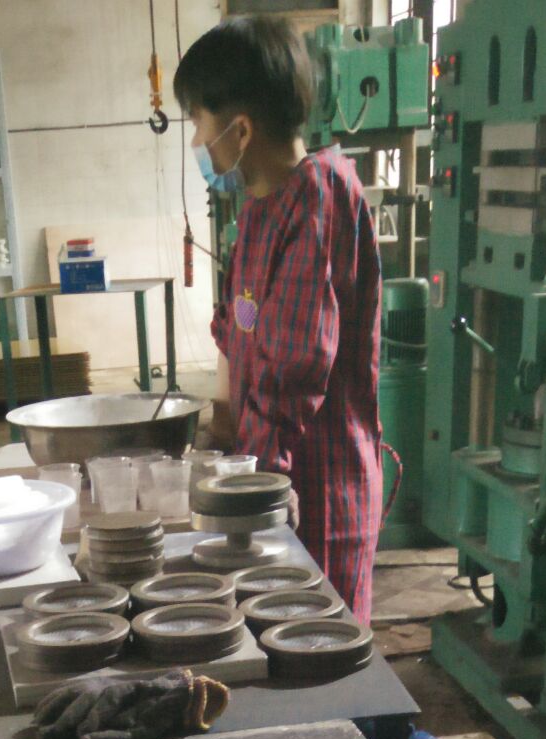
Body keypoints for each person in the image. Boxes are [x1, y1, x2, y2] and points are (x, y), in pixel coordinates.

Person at [174, 18, 383, 621]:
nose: (197, 142)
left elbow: (294, 367)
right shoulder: (260, 208)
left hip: (315, 492)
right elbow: (238, 327)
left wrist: (252, 489)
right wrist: (219, 435)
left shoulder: (318, 197)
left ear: (241, 129)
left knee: (318, 650)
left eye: (198, 123)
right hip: (272, 478)